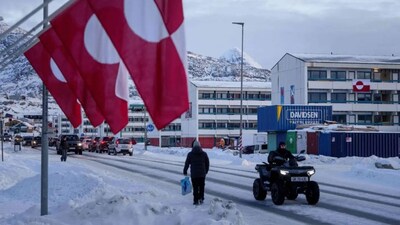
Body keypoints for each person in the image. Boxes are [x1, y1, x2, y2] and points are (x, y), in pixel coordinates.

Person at [183, 140, 209, 205]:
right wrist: (206, 171)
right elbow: (207, 163)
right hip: (202, 174)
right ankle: (201, 198)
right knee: (201, 187)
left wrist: (185, 171)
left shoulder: (190, 154)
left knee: (195, 187)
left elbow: (187, 163)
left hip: (194, 174)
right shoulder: (204, 154)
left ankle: (195, 200)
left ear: (193, 146)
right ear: (200, 146)